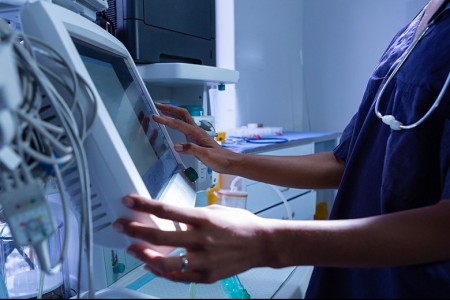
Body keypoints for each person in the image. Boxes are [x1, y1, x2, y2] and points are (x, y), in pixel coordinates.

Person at [112, 0, 450, 297]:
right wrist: (229, 159)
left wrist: (268, 243)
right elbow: (347, 162)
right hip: (355, 278)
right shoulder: (420, 25)